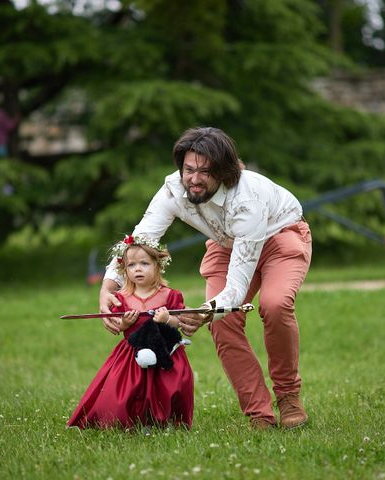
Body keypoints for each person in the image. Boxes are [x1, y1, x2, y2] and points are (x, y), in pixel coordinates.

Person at [99, 127, 312, 430]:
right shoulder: (174, 189)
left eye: (205, 171)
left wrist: (205, 310)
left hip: (279, 238)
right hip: (227, 245)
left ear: (224, 173)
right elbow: (141, 237)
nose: (194, 179)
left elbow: (236, 287)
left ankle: (289, 396)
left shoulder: (246, 200)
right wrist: (109, 287)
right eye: (189, 169)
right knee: (223, 323)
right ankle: (259, 413)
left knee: (275, 304)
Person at [68, 234, 194, 429]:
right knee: (129, 389)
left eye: (144, 263)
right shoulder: (121, 297)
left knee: (170, 385)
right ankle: (134, 422)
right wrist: (125, 323)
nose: (138, 269)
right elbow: (117, 326)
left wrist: (167, 319)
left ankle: (167, 420)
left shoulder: (169, 294)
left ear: (157, 265)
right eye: (131, 265)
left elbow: (178, 321)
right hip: (131, 353)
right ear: (124, 270)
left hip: (165, 349)